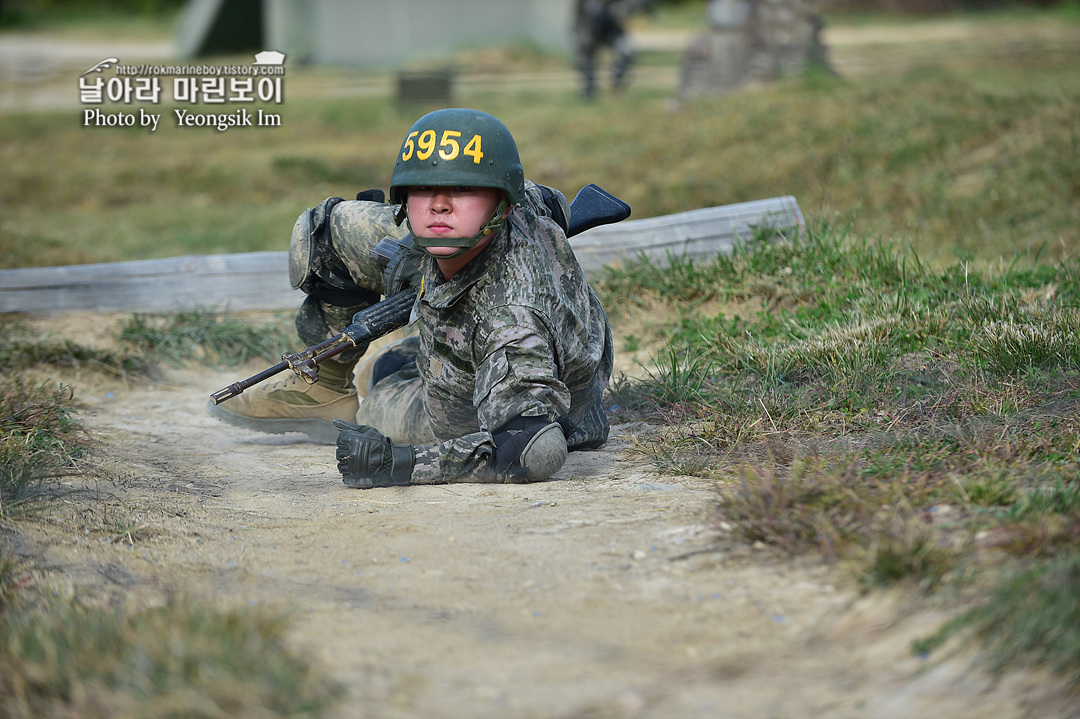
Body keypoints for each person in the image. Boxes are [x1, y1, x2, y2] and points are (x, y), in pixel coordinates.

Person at [207, 108, 614, 487]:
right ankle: (324, 387)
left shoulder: (513, 324)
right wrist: (409, 266)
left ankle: (375, 384)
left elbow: (532, 449)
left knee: (382, 385)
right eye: (423, 186)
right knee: (328, 230)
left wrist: (399, 464)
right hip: (490, 307)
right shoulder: (510, 204)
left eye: (462, 187)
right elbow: (551, 201)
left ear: (504, 204)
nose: (438, 204)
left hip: (470, 405)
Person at [574, 0, 653, 99]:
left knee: (627, 51)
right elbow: (592, 12)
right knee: (586, 59)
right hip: (588, 29)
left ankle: (616, 87)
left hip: (610, 27)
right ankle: (589, 93)